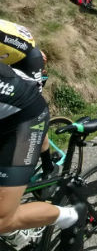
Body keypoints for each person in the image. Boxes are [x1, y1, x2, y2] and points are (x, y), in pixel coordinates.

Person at [0, 62, 86, 251]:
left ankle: (71, 216)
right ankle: (13, 233)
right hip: (7, 112)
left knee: (2, 219)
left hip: (26, 118)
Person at [0, 19, 56, 179]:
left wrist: (35, 51)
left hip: (28, 62)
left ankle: (48, 166)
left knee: (33, 118)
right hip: (12, 59)